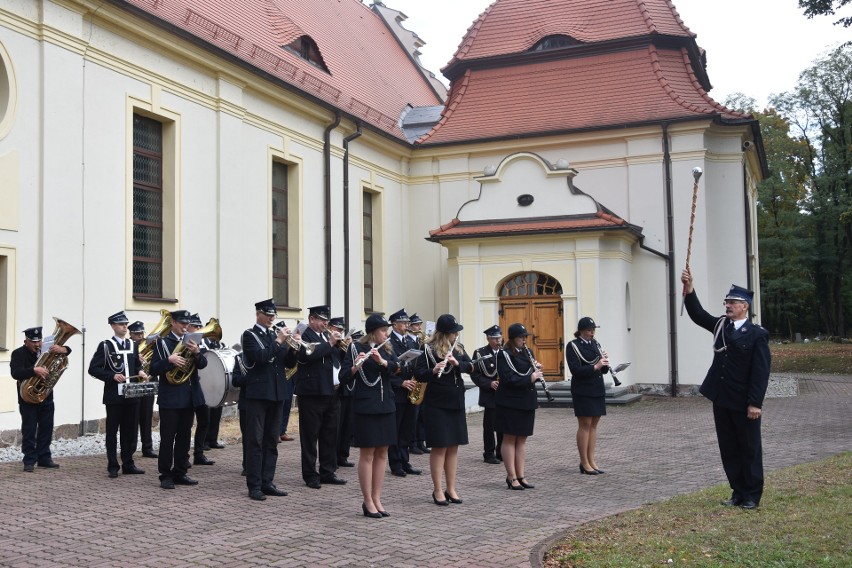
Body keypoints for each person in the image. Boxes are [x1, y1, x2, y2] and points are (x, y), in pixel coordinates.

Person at [681, 268, 771, 509]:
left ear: (745, 306)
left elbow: (760, 373)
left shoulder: (756, 335)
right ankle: (738, 492)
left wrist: (755, 403)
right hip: (722, 398)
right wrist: (690, 290)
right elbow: (698, 315)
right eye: (727, 301)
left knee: (749, 448)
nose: (728, 305)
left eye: (732, 302)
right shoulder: (721, 326)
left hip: (744, 401)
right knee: (729, 448)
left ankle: (752, 495)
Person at [339, 314, 400, 518]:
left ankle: (377, 497)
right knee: (368, 454)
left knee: (383, 453)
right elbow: (343, 376)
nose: (386, 334)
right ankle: (367, 500)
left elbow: (398, 369)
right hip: (366, 406)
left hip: (386, 405)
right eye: (383, 330)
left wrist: (381, 361)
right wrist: (356, 366)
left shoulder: (388, 349)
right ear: (373, 331)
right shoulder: (356, 348)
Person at [415, 314, 472, 506]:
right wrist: (433, 370)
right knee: (440, 446)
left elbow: (472, 367)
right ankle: (437, 489)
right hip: (437, 403)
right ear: (445, 333)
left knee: (453, 446)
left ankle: (451, 488)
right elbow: (419, 374)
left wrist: (458, 364)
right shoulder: (428, 350)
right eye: (454, 332)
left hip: (455, 401)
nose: (457, 335)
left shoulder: (459, 349)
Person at [241, 298, 294, 500]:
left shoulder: (274, 335)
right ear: (258, 314)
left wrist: (293, 349)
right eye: (268, 314)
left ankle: (267, 481)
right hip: (258, 394)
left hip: (277, 393)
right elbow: (261, 358)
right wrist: (279, 341)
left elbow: (286, 363)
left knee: (272, 440)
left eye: (273, 315)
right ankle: (254, 485)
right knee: (255, 440)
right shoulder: (250, 335)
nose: (272, 318)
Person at [150, 309, 208, 490]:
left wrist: (197, 353)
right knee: (168, 438)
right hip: (170, 399)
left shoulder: (193, 341)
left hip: (189, 397)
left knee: (184, 437)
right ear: (173, 322)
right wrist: (170, 360)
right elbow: (153, 369)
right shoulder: (163, 344)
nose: (185, 326)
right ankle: (165, 475)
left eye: (187, 323)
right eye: (182, 323)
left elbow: (203, 365)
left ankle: (180, 471)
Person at [292, 305, 347, 489]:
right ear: (311, 319)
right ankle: (310, 474)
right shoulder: (305, 335)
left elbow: (335, 359)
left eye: (326, 320)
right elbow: (307, 356)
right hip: (312, 392)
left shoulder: (325, 336)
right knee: (310, 435)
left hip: (331, 391)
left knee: (330, 433)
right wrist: (330, 343)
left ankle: (327, 471)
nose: (325, 323)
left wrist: (342, 347)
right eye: (321, 320)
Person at [88, 311, 147, 478]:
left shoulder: (133, 345)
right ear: (113, 326)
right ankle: (112, 465)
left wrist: (141, 372)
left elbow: (135, 366)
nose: (125, 327)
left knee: (130, 431)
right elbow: (93, 369)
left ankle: (128, 463)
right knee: (113, 431)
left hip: (132, 394)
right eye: (121, 324)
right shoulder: (106, 345)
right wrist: (112, 376)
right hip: (114, 395)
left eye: (126, 324)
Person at [10, 326, 70, 472]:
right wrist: (34, 370)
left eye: (39, 341)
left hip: (46, 396)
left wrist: (65, 349)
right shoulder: (18, 353)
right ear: (26, 341)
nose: (37, 344)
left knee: (46, 429)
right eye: (33, 342)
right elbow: (15, 373)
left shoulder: (46, 351)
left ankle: (44, 458)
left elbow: (66, 352)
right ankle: (29, 461)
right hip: (28, 398)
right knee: (29, 430)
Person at [495, 323, 541, 491]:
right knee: (509, 438)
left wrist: (535, 371)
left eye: (525, 337)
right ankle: (511, 476)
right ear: (513, 338)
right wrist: (530, 378)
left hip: (526, 400)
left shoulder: (527, 352)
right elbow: (508, 379)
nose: (524, 340)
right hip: (510, 402)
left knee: (522, 439)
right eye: (521, 337)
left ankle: (521, 475)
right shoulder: (504, 355)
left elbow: (527, 372)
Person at [565, 317, 608, 475]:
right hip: (583, 389)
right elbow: (575, 370)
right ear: (581, 331)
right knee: (585, 424)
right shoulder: (573, 346)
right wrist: (595, 366)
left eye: (593, 330)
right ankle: (584, 461)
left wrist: (604, 364)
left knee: (594, 424)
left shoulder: (595, 344)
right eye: (589, 330)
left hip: (596, 387)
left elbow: (601, 370)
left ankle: (592, 459)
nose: (592, 333)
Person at [387, 308, 421, 477]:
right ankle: (395, 463)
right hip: (397, 391)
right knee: (396, 428)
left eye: (407, 322)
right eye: (403, 323)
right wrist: (400, 382)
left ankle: (405, 460)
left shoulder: (411, 342)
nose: (407, 325)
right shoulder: (388, 342)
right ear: (394, 324)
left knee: (407, 428)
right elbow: (385, 371)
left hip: (411, 389)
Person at [470, 325, 503, 464]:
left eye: (499, 337)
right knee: (489, 426)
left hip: (504, 394)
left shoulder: (505, 352)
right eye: (494, 338)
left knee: (503, 425)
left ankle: (501, 452)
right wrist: (488, 383)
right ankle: (488, 453)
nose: (498, 341)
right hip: (490, 394)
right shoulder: (480, 353)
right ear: (488, 339)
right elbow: (475, 374)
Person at [187, 314, 215, 467]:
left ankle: (199, 453)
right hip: (191, 387)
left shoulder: (205, 344)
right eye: (195, 326)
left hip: (204, 388)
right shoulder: (184, 342)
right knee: (187, 423)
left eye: (199, 326)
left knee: (204, 420)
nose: (198, 329)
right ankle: (183, 456)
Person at [129, 321, 158, 458]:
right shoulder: (128, 346)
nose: (140, 336)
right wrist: (134, 356)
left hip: (148, 383)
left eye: (141, 333)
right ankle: (131, 448)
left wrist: (151, 374)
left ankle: (147, 448)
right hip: (134, 385)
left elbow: (155, 362)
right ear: (131, 334)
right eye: (137, 334)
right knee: (133, 418)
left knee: (147, 417)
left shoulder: (149, 346)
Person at [332, 317, 356, 468]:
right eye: (337, 329)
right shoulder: (331, 344)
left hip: (349, 388)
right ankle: (333, 456)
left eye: (341, 330)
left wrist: (350, 346)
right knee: (337, 425)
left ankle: (343, 455)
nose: (339, 332)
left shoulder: (342, 345)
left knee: (348, 423)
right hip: (337, 389)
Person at [407, 313, 430, 455]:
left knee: (422, 413)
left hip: (422, 378)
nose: (419, 327)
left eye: (419, 324)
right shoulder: (408, 341)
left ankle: (421, 441)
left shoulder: (420, 341)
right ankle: (412, 442)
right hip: (412, 378)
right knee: (413, 414)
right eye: (416, 325)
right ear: (409, 326)